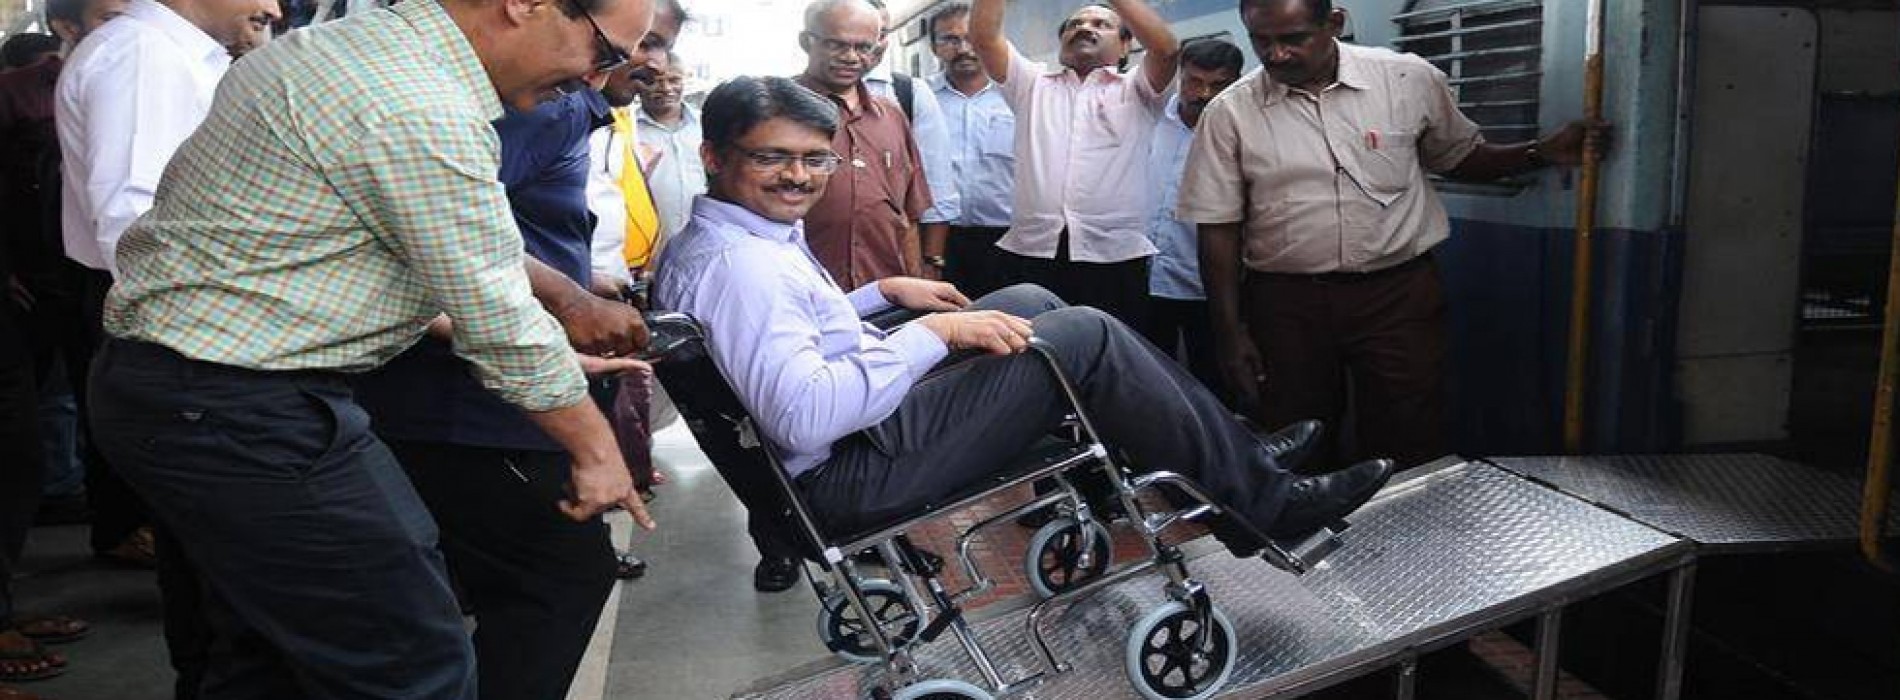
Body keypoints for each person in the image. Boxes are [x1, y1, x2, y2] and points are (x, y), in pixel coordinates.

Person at [84, 0, 660, 695]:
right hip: (241, 410)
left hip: (190, 393)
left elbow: (344, 258)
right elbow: (495, 312)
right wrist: (597, 451)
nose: (598, 82)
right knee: (413, 665)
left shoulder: (342, 53)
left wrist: (553, 324)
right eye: (603, 53)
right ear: (528, 5)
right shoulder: (417, 105)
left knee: (268, 662)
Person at [653, 75, 1393, 568]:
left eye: (815, 160)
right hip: (845, 472)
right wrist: (931, 333)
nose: (799, 178)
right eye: (773, 158)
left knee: (1033, 303)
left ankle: (1239, 456)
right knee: (1085, 338)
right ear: (713, 155)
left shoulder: (731, 242)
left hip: (853, 439)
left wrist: (880, 293)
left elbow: (777, 339)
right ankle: (1269, 507)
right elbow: (805, 414)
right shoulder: (742, 267)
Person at [1178, 0, 1606, 467]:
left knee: (1410, 431)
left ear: (1334, 23)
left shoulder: (1407, 80)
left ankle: (1407, 536)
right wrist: (1229, 333)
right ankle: (1308, 538)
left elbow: (1458, 157)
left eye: (1293, 38)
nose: (1277, 55)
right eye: (1262, 41)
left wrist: (1538, 153)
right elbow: (1218, 228)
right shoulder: (1230, 113)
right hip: (1286, 304)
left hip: (1397, 296)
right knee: (1294, 436)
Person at [55, 0, 279, 572]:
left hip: (181, 328)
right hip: (181, 335)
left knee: (211, 557)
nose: (272, 7)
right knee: (220, 561)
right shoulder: (145, 55)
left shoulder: (170, 54)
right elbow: (136, 220)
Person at [966, 0, 1177, 330]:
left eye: (1101, 24)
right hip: (1033, 251)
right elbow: (983, 38)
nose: (1085, 27)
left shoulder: (1138, 89)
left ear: (1125, 45)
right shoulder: (1032, 84)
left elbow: (1166, 50)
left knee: (1108, 358)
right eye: (1075, 23)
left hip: (1113, 256)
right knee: (1032, 356)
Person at [792, 0, 934, 290]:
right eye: (837, 45)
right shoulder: (775, 114)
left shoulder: (892, 116)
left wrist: (916, 282)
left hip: (886, 297)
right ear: (807, 42)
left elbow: (908, 218)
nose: (851, 57)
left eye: (863, 47)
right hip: (801, 296)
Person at [1139, 39, 1242, 390]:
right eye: (1194, 82)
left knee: (1214, 380)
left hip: (1204, 285)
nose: (1203, 93)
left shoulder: (1240, 131)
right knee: (1147, 379)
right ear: (1180, 77)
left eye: (1217, 85)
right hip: (1145, 279)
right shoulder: (1148, 118)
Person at [862, 0, 958, 281]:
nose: (869, 44)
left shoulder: (910, 94)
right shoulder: (794, 97)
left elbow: (938, 187)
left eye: (880, 34)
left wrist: (931, 261)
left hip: (894, 259)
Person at [925, 2, 1013, 298]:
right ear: (934, 47)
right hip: (941, 239)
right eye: (950, 39)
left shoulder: (1019, 95)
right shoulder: (919, 99)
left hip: (1008, 240)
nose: (963, 48)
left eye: (972, 38)